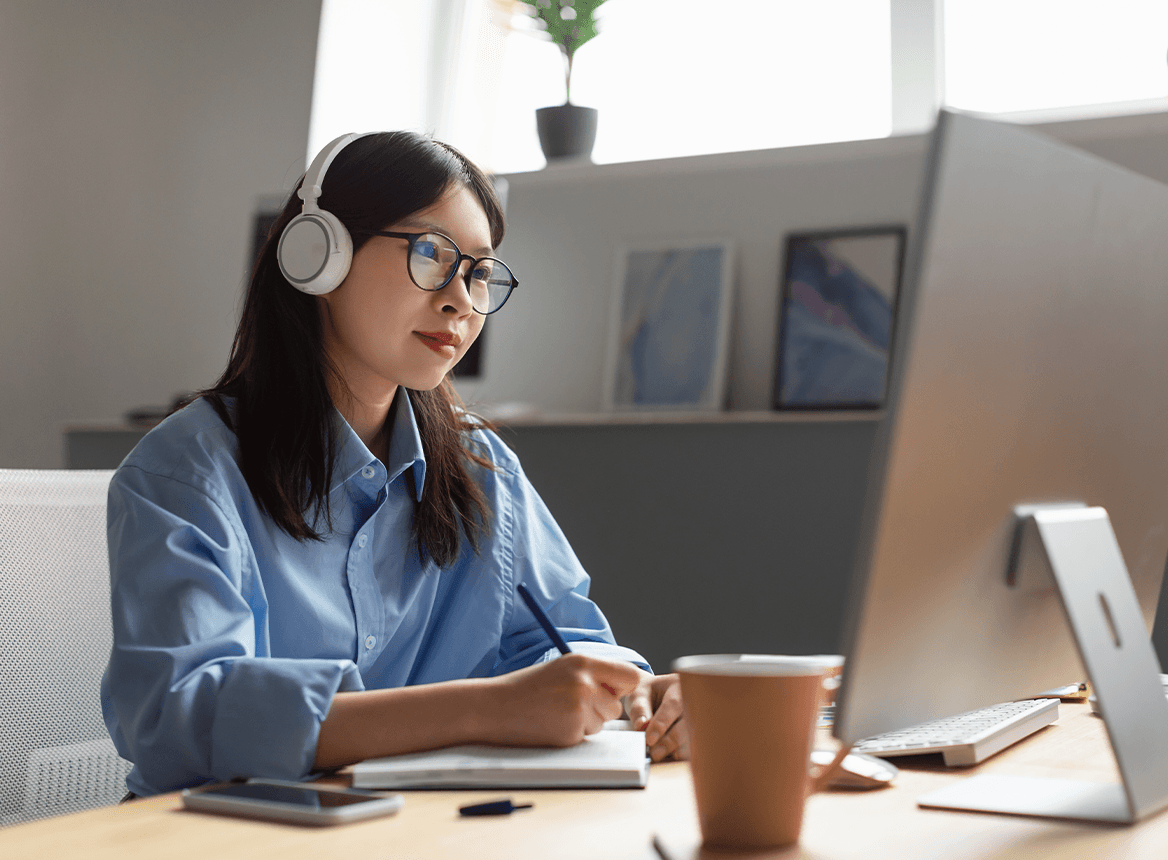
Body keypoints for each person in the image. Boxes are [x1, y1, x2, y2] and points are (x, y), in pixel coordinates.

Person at [101, 131, 688, 798]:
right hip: (228, 836)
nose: (461, 301)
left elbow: (560, 644)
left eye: (478, 273)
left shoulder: (480, 465)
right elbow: (179, 716)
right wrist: (485, 709)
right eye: (432, 254)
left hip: (418, 828)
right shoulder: (187, 472)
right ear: (318, 254)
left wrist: (638, 695)